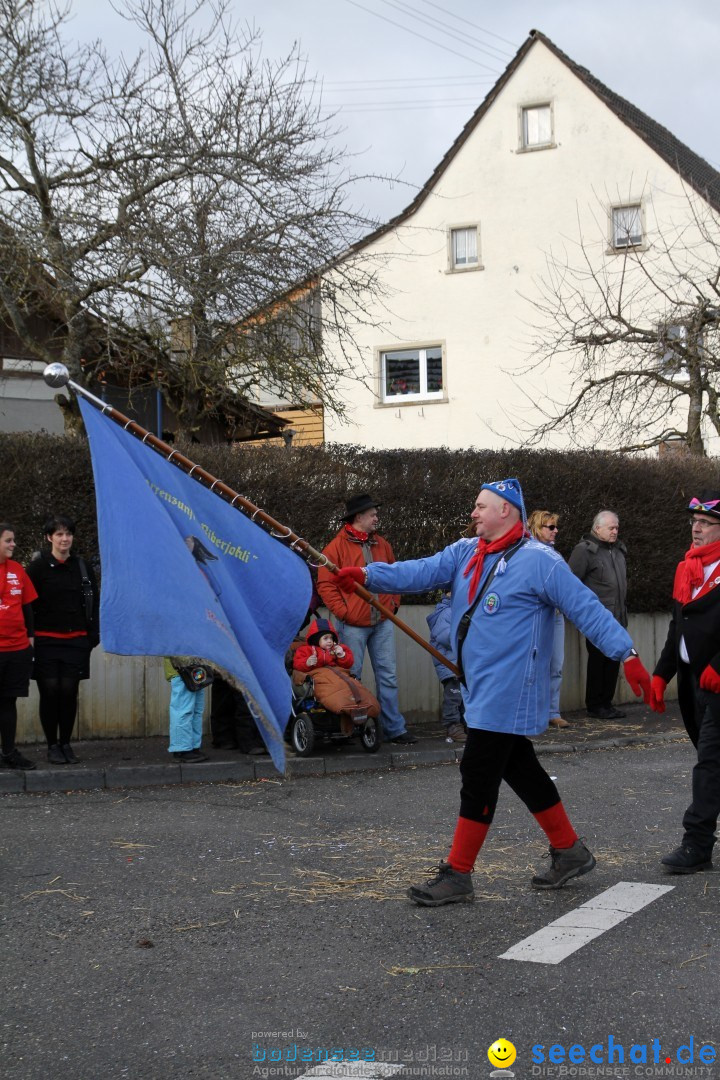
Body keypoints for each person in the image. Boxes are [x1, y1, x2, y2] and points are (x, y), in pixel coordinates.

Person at [334, 478, 652, 906]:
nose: (473, 513)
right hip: (479, 685)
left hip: (511, 689)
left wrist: (625, 653)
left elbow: (586, 607)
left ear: (507, 511)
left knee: (478, 772)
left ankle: (459, 873)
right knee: (520, 767)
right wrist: (368, 574)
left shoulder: (542, 561)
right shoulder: (467, 551)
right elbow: (421, 570)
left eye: (481, 506)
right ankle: (570, 851)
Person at [650, 491, 720, 873]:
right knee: (710, 760)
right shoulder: (688, 568)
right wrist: (662, 674)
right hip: (695, 683)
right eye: (694, 521)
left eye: (706, 523)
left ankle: (697, 844)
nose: (696, 528)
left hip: (719, 683)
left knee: (709, 763)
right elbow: (678, 627)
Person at [317, 493, 416, 745]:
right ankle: (352, 729)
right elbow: (326, 585)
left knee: (388, 676)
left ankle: (393, 729)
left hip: (381, 621)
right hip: (352, 625)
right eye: (372, 514)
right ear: (358, 517)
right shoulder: (335, 548)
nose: (376, 517)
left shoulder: (382, 544)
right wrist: (345, 613)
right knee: (351, 677)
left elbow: (395, 575)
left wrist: (393, 604)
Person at [26, 515, 99, 764]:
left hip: (76, 641)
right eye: (59, 534)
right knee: (50, 692)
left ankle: (66, 743)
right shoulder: (37, 568)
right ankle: (52, 745)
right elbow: (27, 605)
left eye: (68, 533)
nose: (64, 538)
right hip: (46, 642)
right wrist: (30, 637)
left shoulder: (82, 566)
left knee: (69, 692)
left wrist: (92, 635)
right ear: (49, 538)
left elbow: (94, 601)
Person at [568, 510, 628, 719]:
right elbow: (571, 583)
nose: (615, 531)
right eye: (611, 528)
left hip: (618, 616)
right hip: (597, 618)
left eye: (617, 528)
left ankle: (607, 703)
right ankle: (595, 704)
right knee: (598, 660)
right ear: (597, 528)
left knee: (613, 660)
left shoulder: (618, 551)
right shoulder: (585, 551)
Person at [0, 523, 38, 770]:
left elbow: (27, 607)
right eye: (8, 540)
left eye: (13, 540)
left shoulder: (17, 569)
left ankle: (9, 752)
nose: (13, 544)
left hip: (17, 649)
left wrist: (30, 639)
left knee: (8, 702)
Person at [528, 509, 569, 729]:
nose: (555, 531)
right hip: (536, 616)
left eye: (555, 527)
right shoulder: (528, 552)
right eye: (550, 527)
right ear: (538, 528)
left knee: (556, 665)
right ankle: (534, 711)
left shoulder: (555, 555)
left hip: (556, 615)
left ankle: (552, 711)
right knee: (535, 666)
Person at [427, 590, 467, 743]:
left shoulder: (458, 611)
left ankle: (464, 724)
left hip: (458, 665)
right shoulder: (446, 613)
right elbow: (447, 637)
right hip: (450, 666)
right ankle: (452, 726)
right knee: (454, 697)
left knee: (463, 697)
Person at [164, 659, 209, 762]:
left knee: (195, 711)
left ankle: (192, 747)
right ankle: (182, 749)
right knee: (183, 711)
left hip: (192, 669)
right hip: (182, 670)